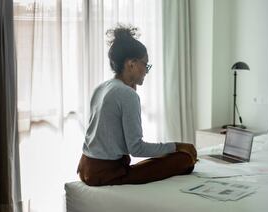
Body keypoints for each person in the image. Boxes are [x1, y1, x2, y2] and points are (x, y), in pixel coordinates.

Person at [77, 24, 197, 186]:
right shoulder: (127, 94)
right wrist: (177, 146)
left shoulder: (102, 87)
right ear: (131, 63)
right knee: (184, 159)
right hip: (106, 173)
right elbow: (136, 149)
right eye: (145, 64)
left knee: (171, 157)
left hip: (85, 168)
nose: (146, 70)